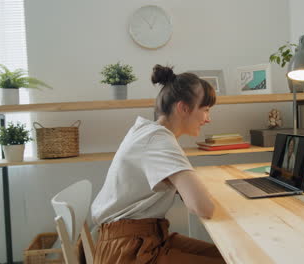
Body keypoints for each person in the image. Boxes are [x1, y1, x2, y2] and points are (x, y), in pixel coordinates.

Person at [91, 65, 226, 264]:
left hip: (137, 240)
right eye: (205, 110)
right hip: (130, 250)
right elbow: (202, 207)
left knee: (229, 257)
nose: (208, 119)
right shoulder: (158, 140)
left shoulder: (146, 131)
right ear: (183, 108)